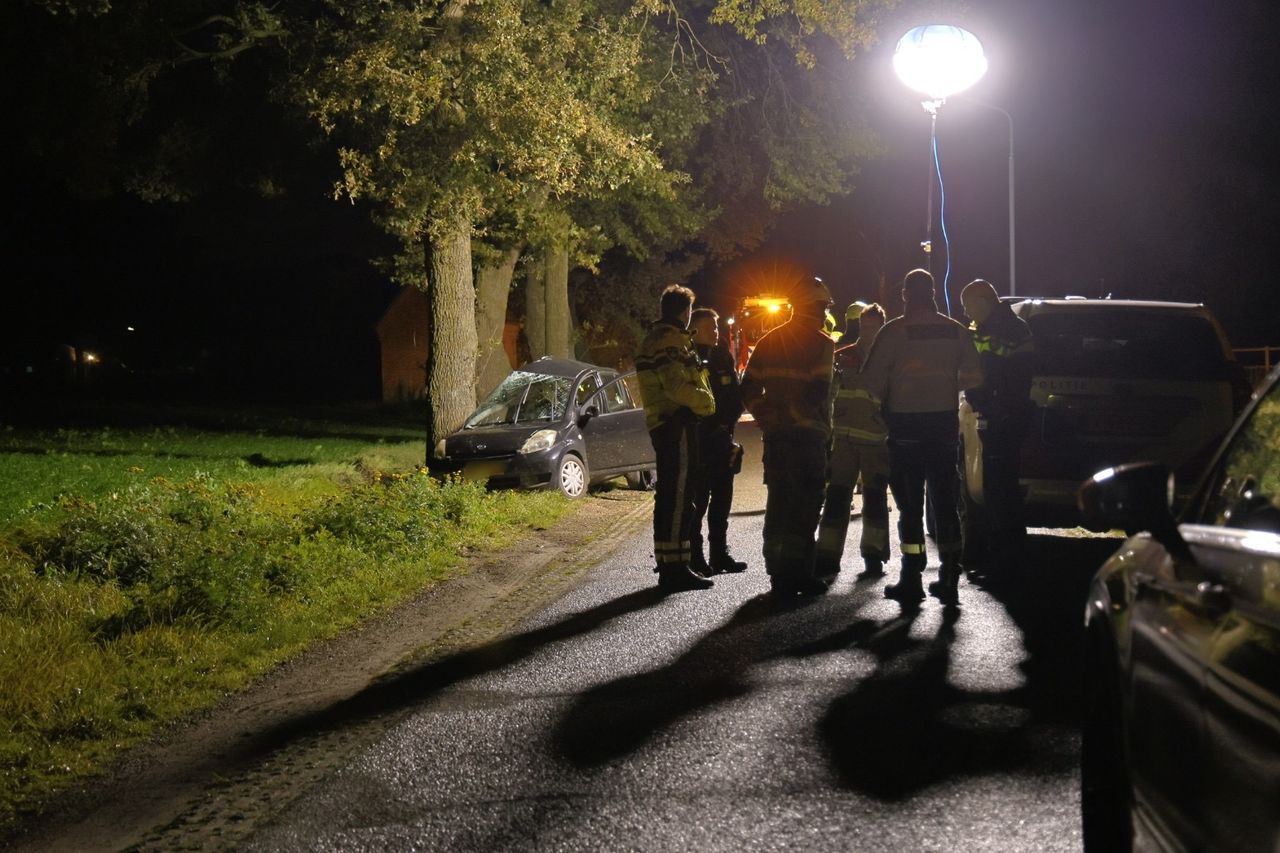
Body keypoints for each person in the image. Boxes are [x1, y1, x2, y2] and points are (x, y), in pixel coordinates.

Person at [862, 270, 983, 606]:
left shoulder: (893, 332)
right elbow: (974, 376)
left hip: (905, 429)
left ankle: (912, 578)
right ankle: (949, 577)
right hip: (943, 425)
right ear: (932, 293)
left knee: (910, 506)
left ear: (905, 295)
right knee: (945, 502)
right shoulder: (955, 330)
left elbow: (871, 381)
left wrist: (892, 397)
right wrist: (945, 385)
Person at [741, 277, 836, 597]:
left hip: (778, 438)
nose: (824, 314)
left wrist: (767, 416)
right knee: (806, 504)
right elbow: (818, 391)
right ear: (811, 307)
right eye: (822, 307)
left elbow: (748, 387)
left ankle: (776, 571)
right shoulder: (823, 343)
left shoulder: (769, 340)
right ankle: (797, 573)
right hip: (807, 439)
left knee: (779, 501)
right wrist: (796, 416)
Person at [636, 284, 717, 592]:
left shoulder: (661, 338)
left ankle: (673, 563)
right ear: (685, 312)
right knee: (679, 496)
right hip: (676, 423)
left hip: (669, 423)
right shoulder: (669, 340)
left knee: (673, 495)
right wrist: (706, 404)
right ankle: (675, 569)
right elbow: (676, 386)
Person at [959, 279, 1034, 578]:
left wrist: (984, 398)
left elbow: (1008, 378)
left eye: (968, 307)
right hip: (997, 417)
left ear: (982, 301)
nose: (966, 314)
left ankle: (1006, 559)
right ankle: (999, 556)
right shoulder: (995, 328)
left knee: (1002, 493)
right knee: (995, 490)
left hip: (1004, 419)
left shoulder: (1010, 331)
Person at [814, 302, 890, 579]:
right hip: (843, 441)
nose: (869, 332)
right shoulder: (842, 356)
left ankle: (873, 555)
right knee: (836, 499)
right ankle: (828, 555)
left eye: (874, 327)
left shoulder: (888, 361)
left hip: (875, 441)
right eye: (866, 326)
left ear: (882, 327)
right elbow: (827, 396)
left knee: (875, 500)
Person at [688, 307, 749, 576]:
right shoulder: (688, 358)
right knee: (698, 501)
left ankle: (720, 554)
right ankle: (696, 557)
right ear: (695, 329)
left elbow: (734, 395)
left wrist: (727, 424)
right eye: (711, 327)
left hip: (724, 439)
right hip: (701, 443)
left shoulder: (722, 355)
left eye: (716, 327)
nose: (716, 332)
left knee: (723, 499)